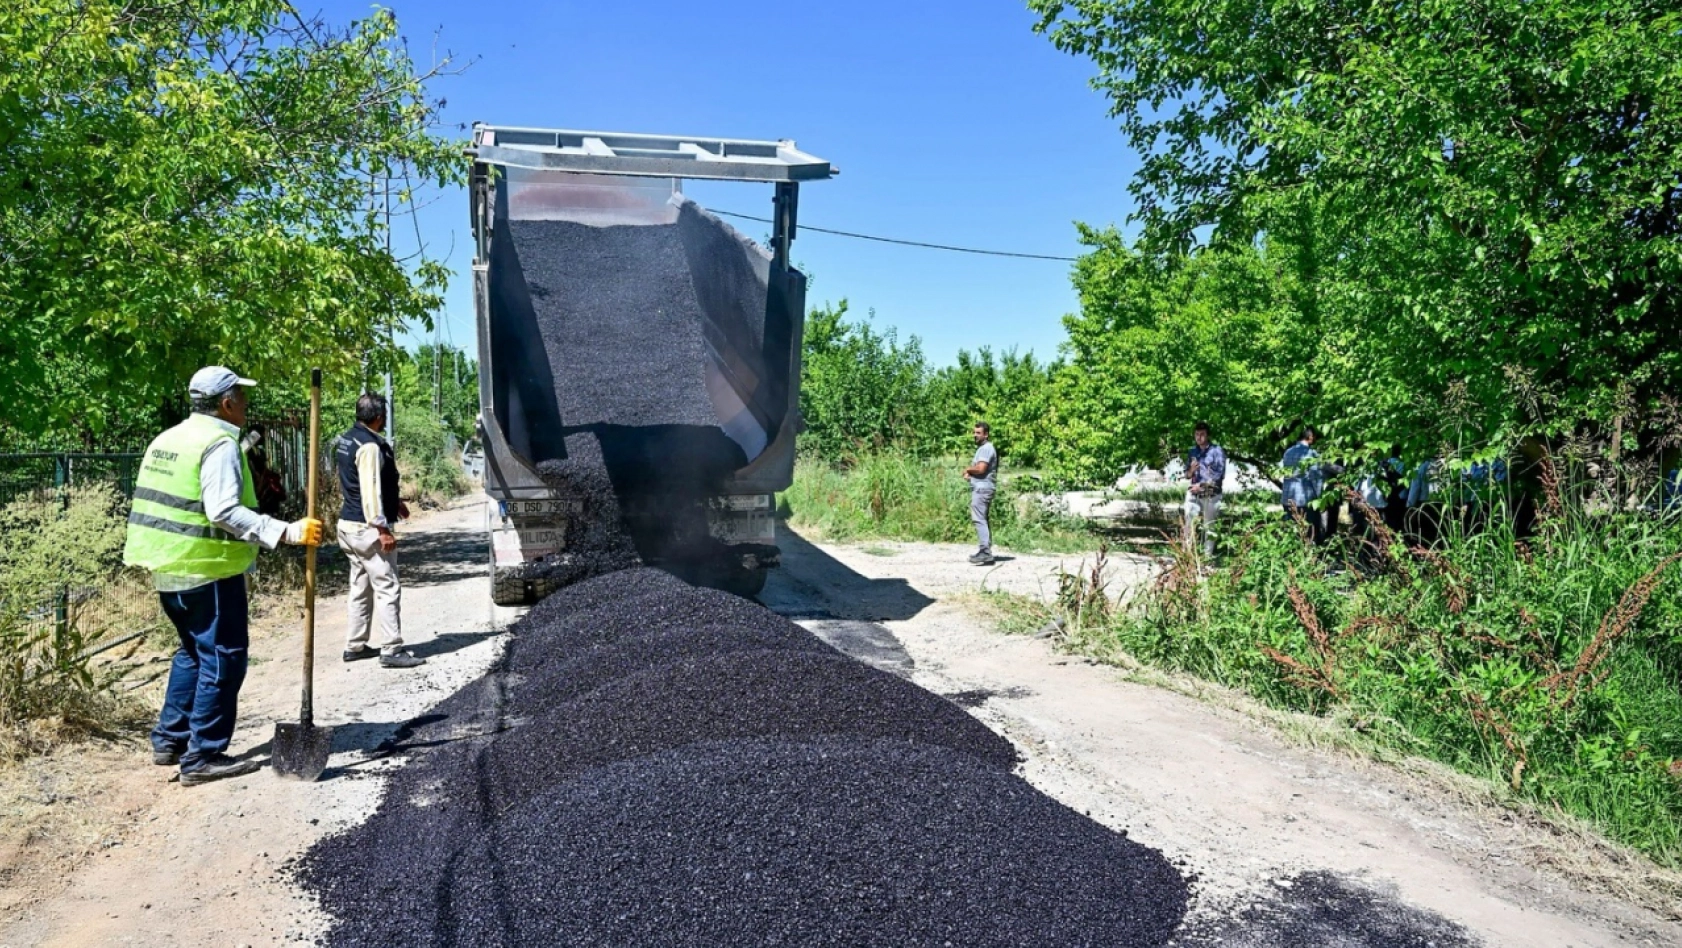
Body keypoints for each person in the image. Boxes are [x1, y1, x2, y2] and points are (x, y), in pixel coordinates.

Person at [122, 367, 322, 786]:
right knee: (223, 658)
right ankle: (204, 755)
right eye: (241, 398)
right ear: (226, 403)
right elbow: (223, 511)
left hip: (168, 567)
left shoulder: (169, 439)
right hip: (208, 569)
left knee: (191, 653)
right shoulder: (219, 444)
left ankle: (170, 741)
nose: (246, 406)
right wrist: (286, 531)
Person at [336, 393, 424, 668]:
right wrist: (382, 528)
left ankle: (355, 645)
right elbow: (370, 490)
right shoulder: (370, 447)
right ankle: (391, 650)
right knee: (387, 586)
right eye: (384, 415)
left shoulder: (347, 438)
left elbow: (355, 480)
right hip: (366, 528)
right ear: (378, 417)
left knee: (361, 586)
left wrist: (394, 501)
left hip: (348, 527)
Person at [1183, 422, 1225, 557]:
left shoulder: (1217, 451)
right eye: (1196, 434)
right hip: (1193, 493)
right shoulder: (1192, 451)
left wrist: (1201, 485)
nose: (1199, 437)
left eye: (1202, 434)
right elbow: (1186, 475)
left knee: (1209, 526)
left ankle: (1207, 556)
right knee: (1189, 521)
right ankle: (1187, 555)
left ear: (1207, 435)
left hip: (1210, 494)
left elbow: (1219, 475)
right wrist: (1191, 470)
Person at [1281, 427, 1326, 542]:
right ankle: (1308, 556)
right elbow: (1316, 477)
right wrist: (1319, 497)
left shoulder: (1288, 452)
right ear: (1310, 437)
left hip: (1288, 497)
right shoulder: (1311, 453)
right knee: (1309, 532)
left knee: (1292, 530)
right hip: (1306, 499)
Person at [963, 422, 998, 566]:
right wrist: (971, 476)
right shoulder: (984, 449)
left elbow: (982, 468)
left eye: (978, 433)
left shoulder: (986, 448)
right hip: (983, 487)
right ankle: (986, 551)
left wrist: (969, 470)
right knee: (982, 518)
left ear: (986, 434)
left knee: (979, 519)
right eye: (974, 432)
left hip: (982, 490)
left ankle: (985, 551)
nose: (975, 435)